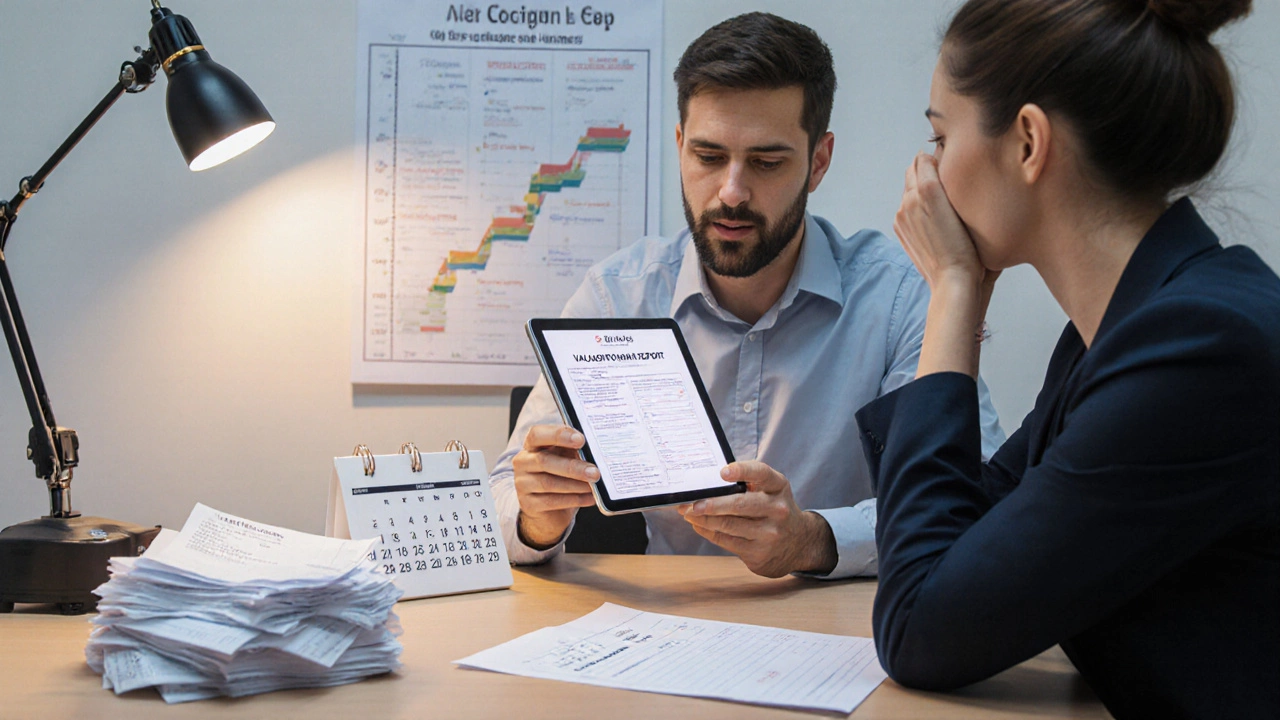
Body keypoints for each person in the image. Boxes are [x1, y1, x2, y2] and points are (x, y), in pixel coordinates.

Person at [833, 0, 1279, 716]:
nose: (927, 173)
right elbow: (967, 539)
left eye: (940, 138)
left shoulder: (1198, 349)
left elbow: (921, 626)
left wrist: (951, 292)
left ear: (1029, 143)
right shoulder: (1124, 329)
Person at [489, 12, 1005, 580]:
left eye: (765, 162)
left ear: (819, 162)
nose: (731, 193)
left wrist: (813, 539)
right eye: (708, 158)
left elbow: (966, 497)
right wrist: (537, 517)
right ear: (680, 145)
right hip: (662, 633)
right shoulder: (618, 296)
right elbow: (502, 494)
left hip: (838, 633)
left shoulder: (901, 298)